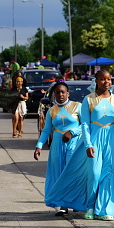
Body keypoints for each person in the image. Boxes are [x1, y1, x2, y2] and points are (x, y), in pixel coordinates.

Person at [82, 70, 114, 221]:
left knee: (108, 175)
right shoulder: (88, 100)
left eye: (108, 79)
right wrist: (88, 144)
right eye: (102, 79)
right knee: (94, 174)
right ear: (96, 81)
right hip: (94, 140)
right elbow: (85, 125)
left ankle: (103, 209)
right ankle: (90, 206)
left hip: (111, 140)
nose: (106, 82)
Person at [34, 82, 84, 215]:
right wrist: (39, 146)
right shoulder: (52, 110)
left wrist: (72, 132)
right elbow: (46, 130)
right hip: (56, 145)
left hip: (73, 144)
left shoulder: (77, 106)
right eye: (57, 92)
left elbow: (85, 126)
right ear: (54, 95)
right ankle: (62, 204)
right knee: (58, 173)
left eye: (63, 92)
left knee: (72, 172)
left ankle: (75, 201)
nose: (60, 95)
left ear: (68, 93)